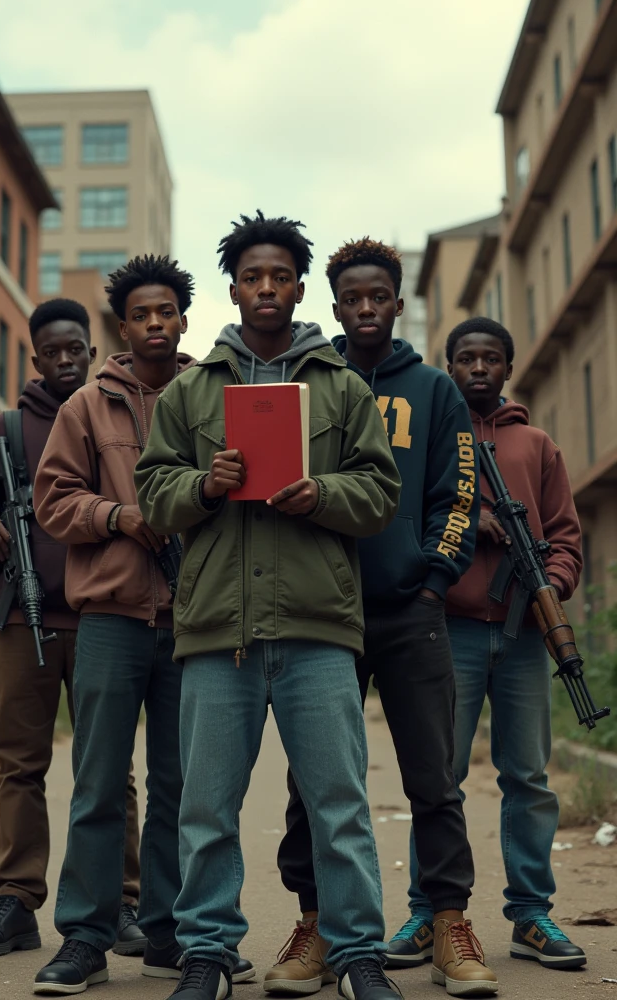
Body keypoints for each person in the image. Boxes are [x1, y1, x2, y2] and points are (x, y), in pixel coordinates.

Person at [135, 211, 404, 1000]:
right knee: (207, 808)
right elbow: (153, 493)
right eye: (252, 277)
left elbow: (381, 493)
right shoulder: (189, 392)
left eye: (279, 276)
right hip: (220, 631)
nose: (265, 288)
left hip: (318, 629)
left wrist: (323, 493)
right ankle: (209, 954)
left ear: (295, 287)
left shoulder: (344, 387)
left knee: (340, 807)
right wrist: (201, 486)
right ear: (233, 287)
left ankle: (357, 954)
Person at [272, 239, 498, 1000]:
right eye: (351, 299)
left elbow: (457, 493)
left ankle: (448, 926)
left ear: (398, 303)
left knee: (434, 780)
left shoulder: (434, 389)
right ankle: (314, 925)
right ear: (332, 306)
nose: (365, 309)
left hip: (409, 612)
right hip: (323, 613)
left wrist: (433, 582)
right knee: (313, 783)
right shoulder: (312, 382)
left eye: (379, 297)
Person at [32, 256, 248, 996]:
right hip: (112, 620)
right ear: (121, 327)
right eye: (141, 314)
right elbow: (53, 502)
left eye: (167, 312)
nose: (156, 323)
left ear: (184, 318)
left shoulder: (212, 395)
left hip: (195, 622)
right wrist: (121, 516)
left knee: (182, 787)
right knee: (98, 783)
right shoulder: (85, 407)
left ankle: (170, 932)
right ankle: (86, 938)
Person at [0, 299, 144, 959]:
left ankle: (122, 901)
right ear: (34, 358)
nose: (66, 361)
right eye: (53, 352)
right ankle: (15, 902)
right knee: (20, 765)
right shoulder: (2, 431)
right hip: (19, 620)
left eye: (76, 350)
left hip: (103, 621)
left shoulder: (105, 415)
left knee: (110, 766)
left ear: (92, 350)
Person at [406, 316, 586, 971]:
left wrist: (552, 585)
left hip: (524, 633)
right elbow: (407, 518)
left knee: (529, 777)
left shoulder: (535, 445)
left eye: (491, 359)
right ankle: (428, 915)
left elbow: (566, 535)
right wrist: (467, 524)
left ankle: (531, 914)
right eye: (466, 358)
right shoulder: (434, 435)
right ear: (447, 365)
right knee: (439, 774)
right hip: (447, 628)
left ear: (508, 368)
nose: (478, 368)